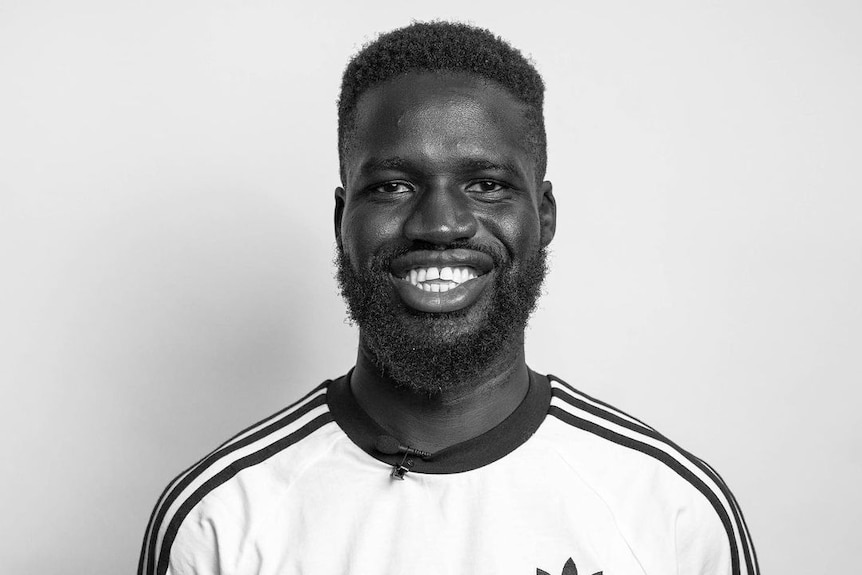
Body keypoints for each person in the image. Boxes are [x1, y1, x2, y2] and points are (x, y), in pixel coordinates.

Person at [138, 21, 759, 575]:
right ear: (341, 218)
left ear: (542, 215)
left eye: (487, 185)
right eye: (393, 185)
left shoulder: (672, 513)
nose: (439, 224)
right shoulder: (216, 521)